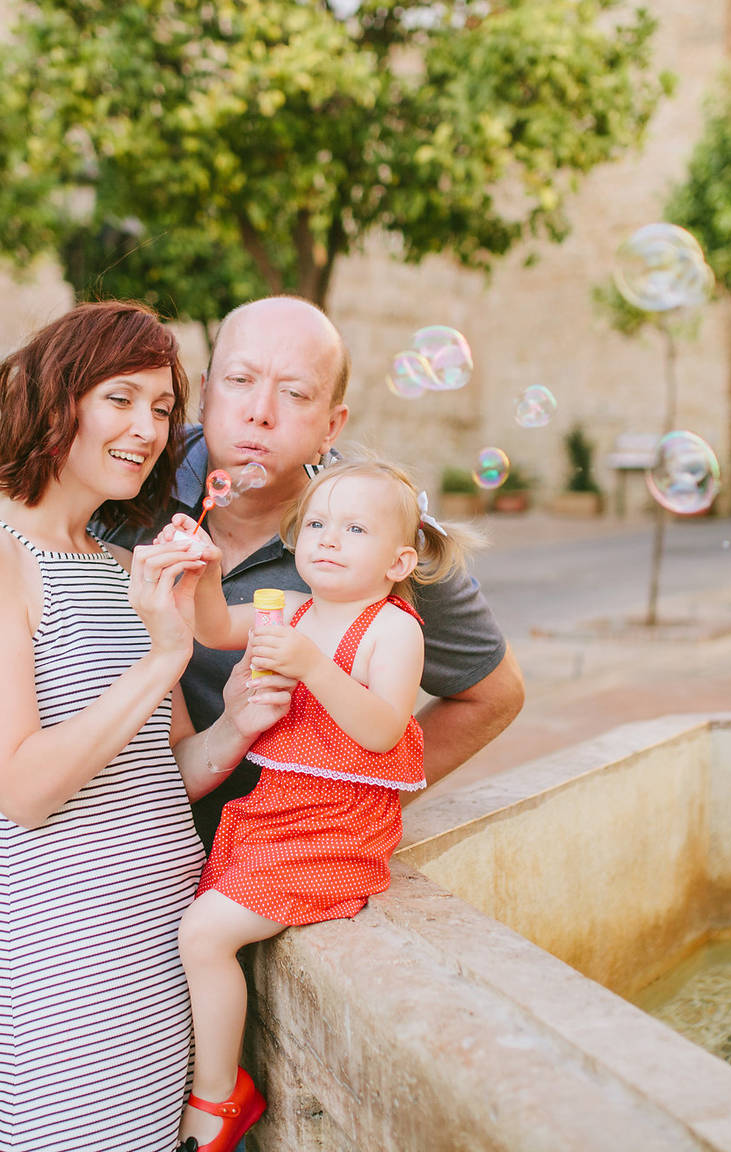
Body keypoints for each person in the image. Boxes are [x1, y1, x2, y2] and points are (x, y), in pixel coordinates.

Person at [0, 301, 294, 1152]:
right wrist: (164, 656)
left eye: (164, 409)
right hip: (59, 979)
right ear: (57, 403)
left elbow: (170, 769)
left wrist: (239, 717)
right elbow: (21, 788)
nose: (148, 429)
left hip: (158, 959)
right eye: (121, 399)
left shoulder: (121, 563)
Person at [94, 296, 525, 846]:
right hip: (120, 850)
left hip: (272, 858)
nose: (260, 412)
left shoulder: (378, 535)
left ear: (332, 425)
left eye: (295, 393)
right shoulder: (133, 471)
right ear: (203, 393)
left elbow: (495, 694)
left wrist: (344, 809)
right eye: (239, 380)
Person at [161, 457, 480, 1152]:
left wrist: (311, 666)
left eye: (354, 528)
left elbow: (382, 729)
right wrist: (207, 572)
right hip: (278, 812)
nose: (328, 539)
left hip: (337, 830)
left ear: (399, 560)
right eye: (316, 524)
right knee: (199, 926)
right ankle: (213, 1076)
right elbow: (214, 629)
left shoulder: (391, 630)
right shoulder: (297, 610)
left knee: (203, 933)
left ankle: (219, 1097)